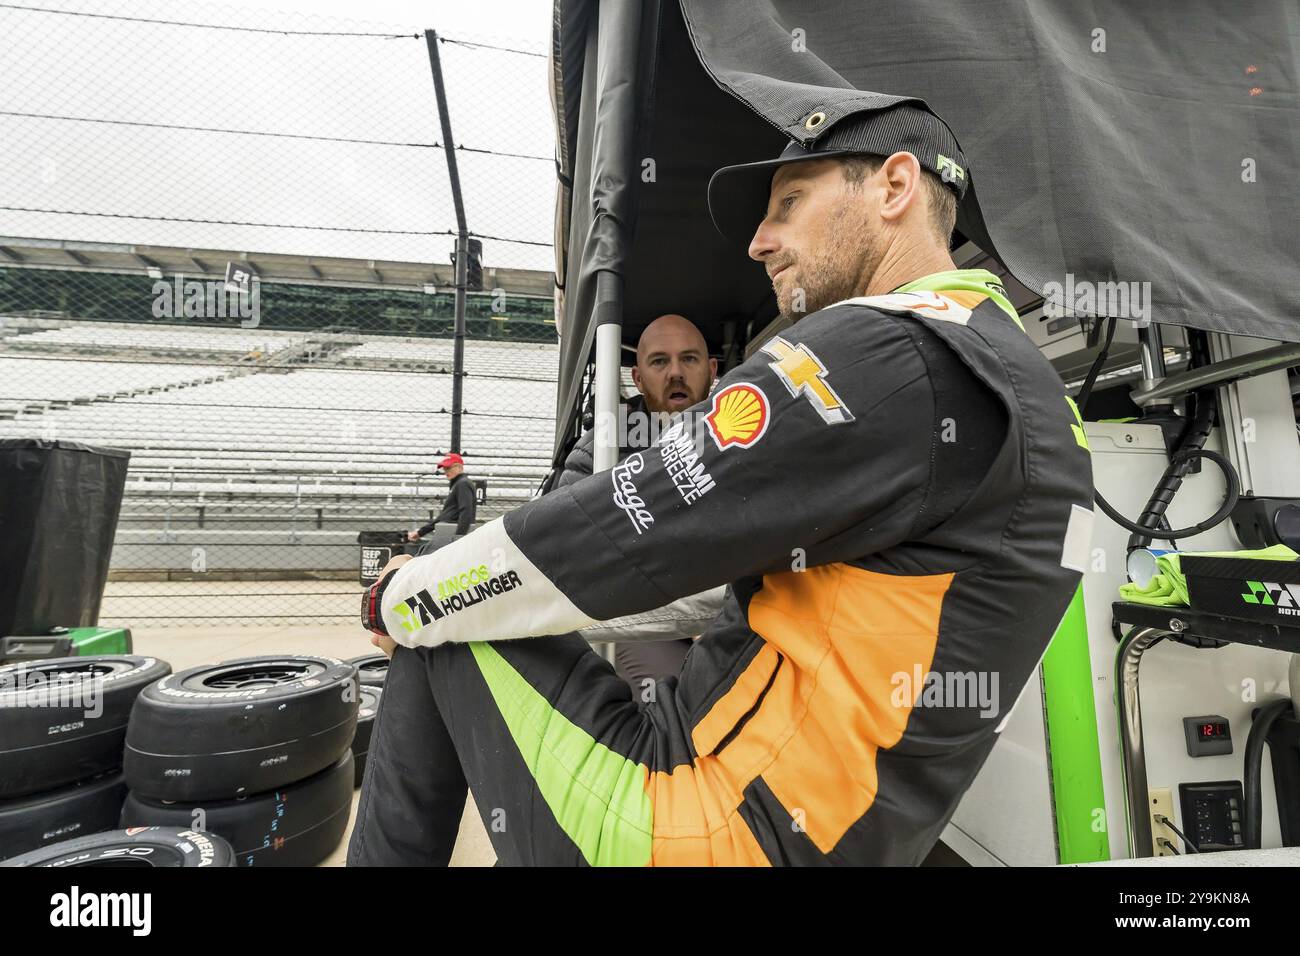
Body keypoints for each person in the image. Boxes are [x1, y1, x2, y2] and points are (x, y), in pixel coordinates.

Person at [351, 102, 1093, 866]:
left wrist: (397, 596)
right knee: (450, 593)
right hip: (848, 831)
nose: (758, 242)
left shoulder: (887, 348)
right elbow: (721, 585)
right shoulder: (1031, 391)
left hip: (708, 826)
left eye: (789, 205)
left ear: (894, 186)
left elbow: (615, 535)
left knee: (438, 606)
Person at [559, 313, 724, 690]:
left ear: (712, 369)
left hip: (729, 609)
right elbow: (569, 543)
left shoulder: (741, 431)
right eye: (660, 361)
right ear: (637, 377)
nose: (676, 373)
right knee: (683, 689)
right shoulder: (603, 445)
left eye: (690, 359)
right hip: (642, 614)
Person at [407, 453, 475, 542]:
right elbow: (445, 516)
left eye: (448, 468)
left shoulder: (462, 483)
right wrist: (421, 532)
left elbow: (466, 512)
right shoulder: (458, 484)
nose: (446, 472)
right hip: (449, 531)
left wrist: (459, 538)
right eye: (444, 469)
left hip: (453, 533)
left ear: (459, 467)